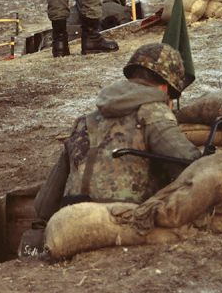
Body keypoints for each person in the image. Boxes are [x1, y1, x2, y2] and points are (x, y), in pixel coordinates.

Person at [33, 43, 200, 222]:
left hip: (69, 216)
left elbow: (44, 205)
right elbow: (188, 163)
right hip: (120, 217)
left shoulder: (83, 122)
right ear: (164, 88)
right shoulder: (153, 112)